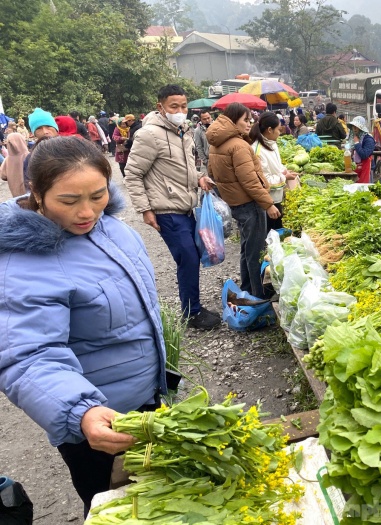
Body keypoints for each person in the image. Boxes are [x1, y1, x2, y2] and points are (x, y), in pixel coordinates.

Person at [0, 137, 168, 517]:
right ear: (37, 194)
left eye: (98, 195)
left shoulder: (113, 231)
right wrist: (81, 412)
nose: (87, 211)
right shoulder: (23, 262)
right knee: (118, 508)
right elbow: (27, 357)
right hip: (95, 427)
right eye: (70, 201)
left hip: (145, 405)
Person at [125, 84, 221, 330]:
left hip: (186, 206)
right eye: (174, 106)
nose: (180, 111)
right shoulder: (149, 135)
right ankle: (192, 313)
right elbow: (133, 174)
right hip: (166, 209)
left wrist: (199, 178)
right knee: (188, 257)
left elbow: (186, 168)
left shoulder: (184, 131)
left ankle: (192, 307)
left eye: (183, 106)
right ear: (161, 107)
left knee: (191, 257)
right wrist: (145, 209)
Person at [206, 103, 280, 298]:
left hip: (236, 204)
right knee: (255, 252)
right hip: (250, 204)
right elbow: (250, 181)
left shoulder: (216, 143)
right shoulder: (238, 146)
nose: (249, 124)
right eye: (245, 120)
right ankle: (257, 295)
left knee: (246, 249)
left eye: (250, 120)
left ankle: (247, 288)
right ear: (232, 121)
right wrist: (268, 204)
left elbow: (212, 174)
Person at [248, 111, 299, 231]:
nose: (280, 132)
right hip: (267, 202)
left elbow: (277, 166)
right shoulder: (257, 150)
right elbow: (263, 181)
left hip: (276, 198)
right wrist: (284, 177)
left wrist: (285, 171)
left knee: (277, 232)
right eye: (278, 129)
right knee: (270, 235)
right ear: (269, 130)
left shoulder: (271, 144)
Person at [347, 116, 376, 184]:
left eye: (356, 127)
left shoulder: (368, 139)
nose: (354, 129)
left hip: (367, 168)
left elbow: (364, 155)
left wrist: (357, 143)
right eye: (353, 126)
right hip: (356, 168)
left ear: (361, 128)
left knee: (365, 189)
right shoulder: (354, 138)